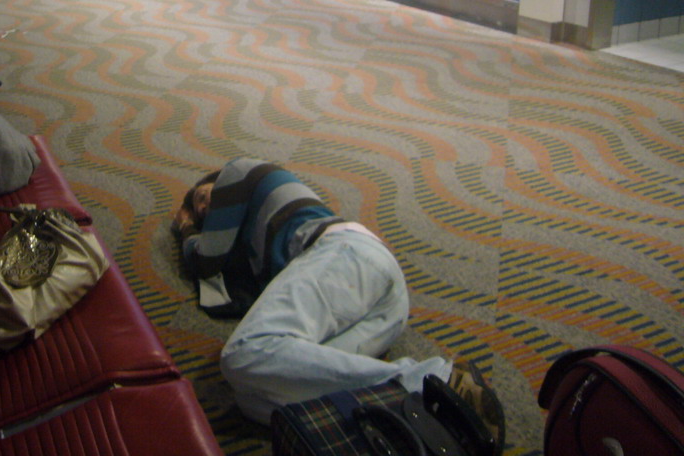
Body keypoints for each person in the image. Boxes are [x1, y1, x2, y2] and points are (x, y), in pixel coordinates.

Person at [172, 157, 504, 444]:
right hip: (384, 301)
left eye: (203, 196)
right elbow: (227, 295)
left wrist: (188, 228)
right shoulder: (256, 248)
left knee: (243, 354)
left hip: (347, 253)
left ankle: (436, 380)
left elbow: (205, 261)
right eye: (200, 212)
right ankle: (430, 421)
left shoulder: (238, 170)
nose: (204, 209)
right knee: (253, 399)